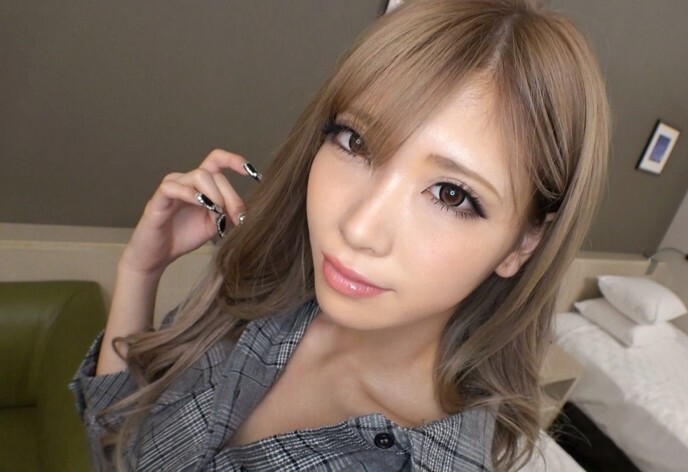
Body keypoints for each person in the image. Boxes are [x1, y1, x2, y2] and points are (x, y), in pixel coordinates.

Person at [70, 0, 610, 470]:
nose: (358, 227)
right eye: (355, 142)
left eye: (451, 194)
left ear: (522, 244)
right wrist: (140, 269)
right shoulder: (264, 286)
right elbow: (117, 444)